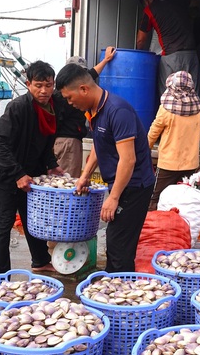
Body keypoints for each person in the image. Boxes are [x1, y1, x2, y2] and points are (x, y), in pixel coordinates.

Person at [55, 63, 155, 273]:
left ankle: (121, 292)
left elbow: (128, 160)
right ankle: (114, 285)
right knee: (115, 241)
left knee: (119, 244)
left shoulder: (117, 111)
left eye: (69, 97)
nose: (69, 103)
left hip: (135, 185)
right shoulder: (93, 111)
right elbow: (99, 146)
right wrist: (84, 176)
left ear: (83, 89)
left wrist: (114, 197)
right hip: (121, 183)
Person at [0, 60, 64, 275]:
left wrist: (52, 165)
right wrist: (18, 173)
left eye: (48, 85)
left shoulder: (53, 107)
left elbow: (45, 141)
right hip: (6, 174)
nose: (43, 91)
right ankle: (0, 275)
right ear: (28, 84)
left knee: (33, 219)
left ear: (54, 84)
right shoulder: (18, 107)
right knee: (4, 223)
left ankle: (40, 260)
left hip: (30, 174)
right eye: (38, 85)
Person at [53, 47, 117, 178]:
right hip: (68, 143)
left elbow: (92, 74)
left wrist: (105, 60)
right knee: (67, 184)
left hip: (62, 142)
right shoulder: (66, 94)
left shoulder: (63, 91)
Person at [147, 71, 200, 211]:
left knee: (155, 199)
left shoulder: (166, 110)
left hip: (168, 164)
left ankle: (151, 230)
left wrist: (145, 149)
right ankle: (180, 229)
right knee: (184, 202)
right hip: (191, 164)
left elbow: (153, 132)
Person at [136, 0, 200, 97]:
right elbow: (195, 2)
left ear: (146, 1)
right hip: (191, 54)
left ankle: (169, 114)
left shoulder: (149, 10)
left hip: (171, 56)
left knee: (169, 93)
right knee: (193, 92)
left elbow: (141, 39)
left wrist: (138, 57)